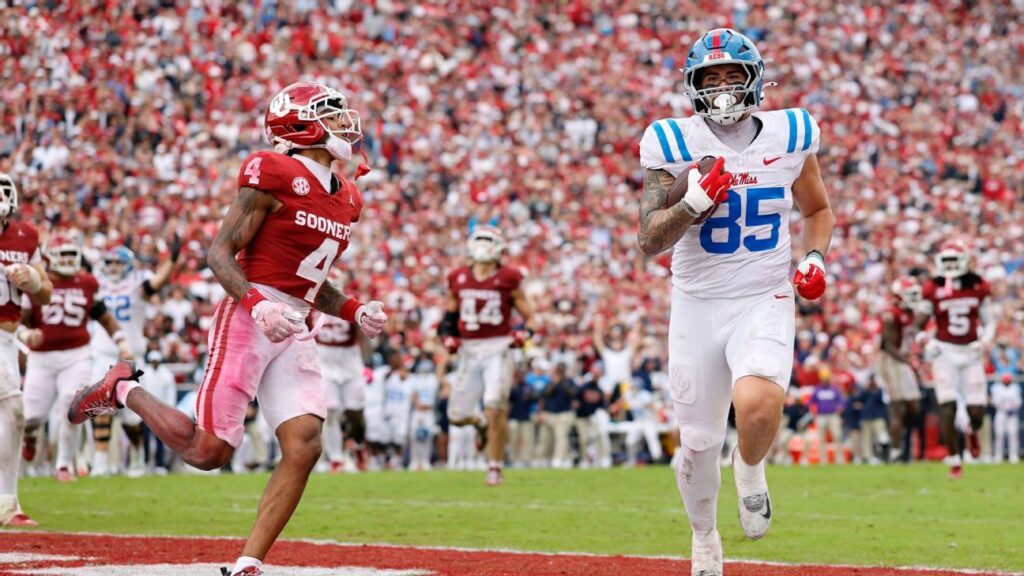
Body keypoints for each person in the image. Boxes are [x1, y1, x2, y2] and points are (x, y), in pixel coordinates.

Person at [67, 82, 388, 576]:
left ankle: (248, 562)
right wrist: (257, 305)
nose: (346, 123)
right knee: (208, 451)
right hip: (248, 315)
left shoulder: (347, 196)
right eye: (332, 114)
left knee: (305, 443)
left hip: (295, 323)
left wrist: (354, 310)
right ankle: (123, 388)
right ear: (300, 125)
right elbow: (219, 253)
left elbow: (306, 280)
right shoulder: (273, 170)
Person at [637, 28, 833, 576]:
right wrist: (691, 203)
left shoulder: (791, 133)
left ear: (754, 79)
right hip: (697, 303)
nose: (722, 86)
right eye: (711, 77)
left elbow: (817, 210)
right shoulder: (672, 141)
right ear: (693, 85)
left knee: (758, 402)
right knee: (698, 444)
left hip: (763, 294)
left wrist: (815, 258)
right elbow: (648, 237)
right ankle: (704, 537)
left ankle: (749, 468)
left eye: (732, 75)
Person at [20, 233, 133, 482]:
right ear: (48, 257)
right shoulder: (37, 281)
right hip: (41, 358)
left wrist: (121, 342)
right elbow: (21, 319)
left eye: (72, 254)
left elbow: (104, 316)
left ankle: (63, 465)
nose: (69, 259)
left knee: (70, 405)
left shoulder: (87, 282)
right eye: (64, 255)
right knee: (31, 418)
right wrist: (26, 334)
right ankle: (30, 436)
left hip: (77, 355)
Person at [437, 225, 536, 486]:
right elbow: (449, 317)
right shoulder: (457, 277)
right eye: (479, 239)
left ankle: (494, 466)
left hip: (498, 347)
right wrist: (448, 337)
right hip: (469, 350)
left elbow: (530, 318)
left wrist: (524, 334)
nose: (483, 245)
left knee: (495, 405)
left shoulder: (508, 277)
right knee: (456, 417)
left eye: (488, 240)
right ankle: (479, 422)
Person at [89, 244, 182, 477]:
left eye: (118, 262)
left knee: (131, 418)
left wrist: (171, 260)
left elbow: (156, 283)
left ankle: (138, 454)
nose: (113, 267)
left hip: (131, 356)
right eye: (110, 262)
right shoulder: (97, 283)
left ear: (129, 265)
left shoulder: (138, 282)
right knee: (100, 408)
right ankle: (100, 463)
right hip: (102, 353)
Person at [916, 239, 994, 479]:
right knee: (946, 407)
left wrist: (984, 342)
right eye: (946, 261)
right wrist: (926, 342)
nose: (949, 266)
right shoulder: (933, 287)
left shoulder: (978, 284)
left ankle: (971, 431)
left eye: (954, 261)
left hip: (971, 352)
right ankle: (955, 459)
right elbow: (917, 326)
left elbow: (990, 322)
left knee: (977, 413)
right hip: (945, 352)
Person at [0, 172, 52, 527]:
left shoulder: (25, 235)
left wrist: (32, 280)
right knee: (14, 409)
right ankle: (7, 501)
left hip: (7, 337)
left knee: (13, 414)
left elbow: (45, 292)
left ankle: (8, 501)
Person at [315, 287, 369, 473]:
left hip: (350, 361)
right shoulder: (309, 302)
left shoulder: (347, 301)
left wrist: (367, 360)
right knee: (330, 410)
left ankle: (358, 445)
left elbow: (363, 334)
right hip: (324, 360)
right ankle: (336, 458)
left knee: (355, 412)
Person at [875, 277, 923, 463]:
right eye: (910, 294)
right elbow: (888, 345)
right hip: (890, 360)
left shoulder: (909, 312)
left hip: (902, 360)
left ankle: (890, 438)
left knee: (914, 406)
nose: (914, 298)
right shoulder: (891, 312)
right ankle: (894, 450)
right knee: (897, 406)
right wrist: (908, 361)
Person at [991, 374, 1020, 463]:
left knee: (1013, 434)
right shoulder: (997, 387)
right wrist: (1004, 408)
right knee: (999, 434)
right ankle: (998, 455)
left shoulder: (1015, 388)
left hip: (1012, 414)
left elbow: (1018, 401)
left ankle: (1013, 455)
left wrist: (1013, 408)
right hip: (1001, 413)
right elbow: (995, 401)